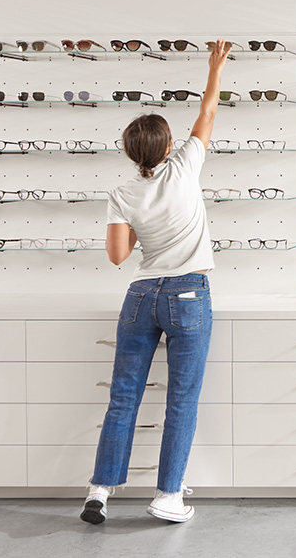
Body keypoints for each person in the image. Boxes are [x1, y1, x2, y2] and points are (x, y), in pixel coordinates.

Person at [82, 41, 232, 525]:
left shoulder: (122, 191)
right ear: (169, 147)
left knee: (124, 395)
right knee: (181, 399)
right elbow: (207, 111)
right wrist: (214, 68)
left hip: (140, 296)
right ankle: (168, 495)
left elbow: (117, 256)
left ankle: (99, 491)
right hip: (189, 293)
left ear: (129, 152)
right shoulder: (186, 166)